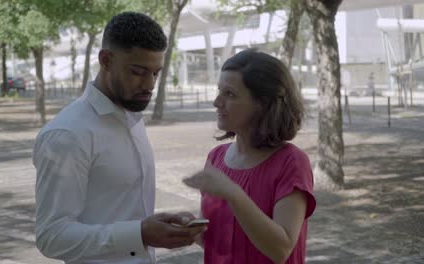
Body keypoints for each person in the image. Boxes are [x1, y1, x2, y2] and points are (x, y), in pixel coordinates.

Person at [33, 12, 204, 264]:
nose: (149, 84)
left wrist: (158, 225)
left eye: (156, 73)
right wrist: (140, 233)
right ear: (106, 60)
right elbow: (52, 236)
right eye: (138, 71)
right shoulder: (67, 135)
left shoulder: (131, 117)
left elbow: (120, 210)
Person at [183, 49, 316, 264]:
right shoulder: (216, 158)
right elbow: (222, 243)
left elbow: (280, 249)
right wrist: (191, 230)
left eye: (230, 94)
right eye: (219, 91)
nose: (217, 102)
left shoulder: (291, 162)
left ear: (262, 104)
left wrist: (233, 193)